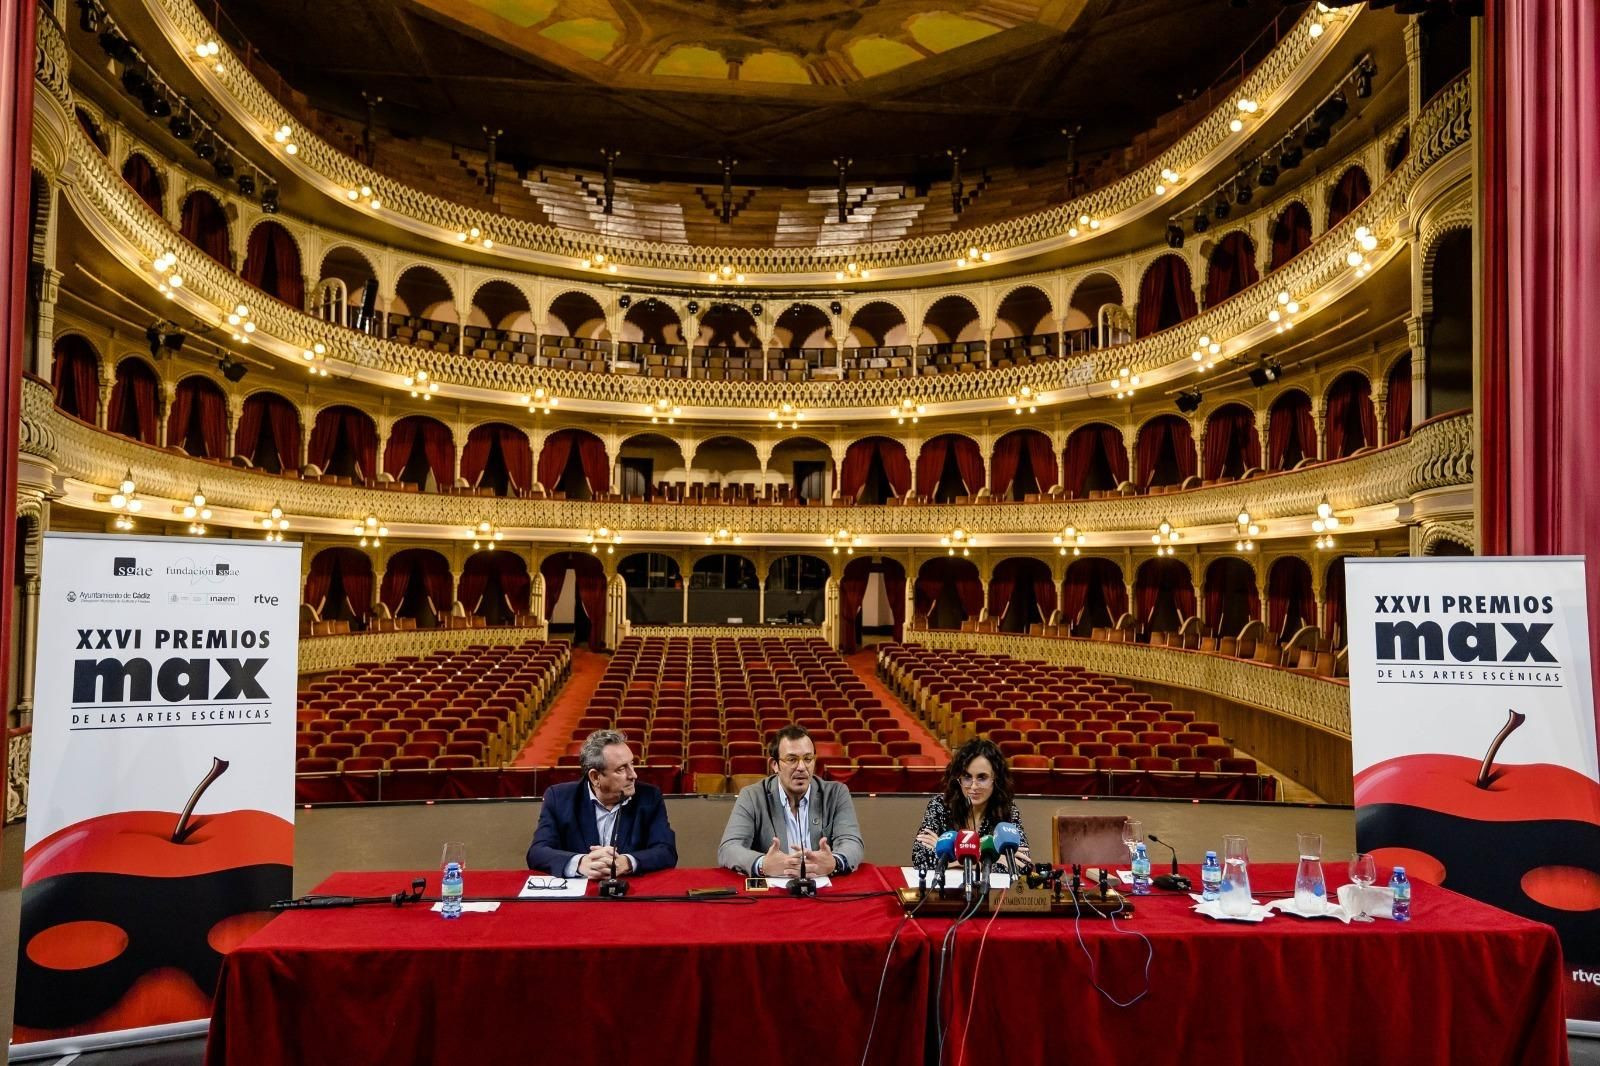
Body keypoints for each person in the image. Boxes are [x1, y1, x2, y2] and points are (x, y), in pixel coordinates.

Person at [718, 724, 865, 877]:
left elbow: (852, 842)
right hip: (774, 891)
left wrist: (834, 862)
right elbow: (729, 848)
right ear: (775, 765)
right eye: (792, 759)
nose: (801, 767)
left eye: (808, 759)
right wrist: (763, 864)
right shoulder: (752, 796)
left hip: (822, 888)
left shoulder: (836, 793)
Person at [526, 729, 677, 878]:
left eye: (631, 764)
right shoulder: (559, 798)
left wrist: (627, 862)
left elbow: (666, 851)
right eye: (621, 769)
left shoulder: (649, 797)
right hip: (579, 896)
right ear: (595, 777)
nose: (633, 775)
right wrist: (580, 863)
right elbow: (537, 852)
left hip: (629, 894)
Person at [911, 737, 1031, 869]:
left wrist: (950, 859)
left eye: (982, 777)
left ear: (996, 779)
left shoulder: (1006, 809)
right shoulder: (940, 805)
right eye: (967, 777)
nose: (973, 786)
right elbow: (920, 857)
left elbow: (1022, 864)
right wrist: (987, 862)